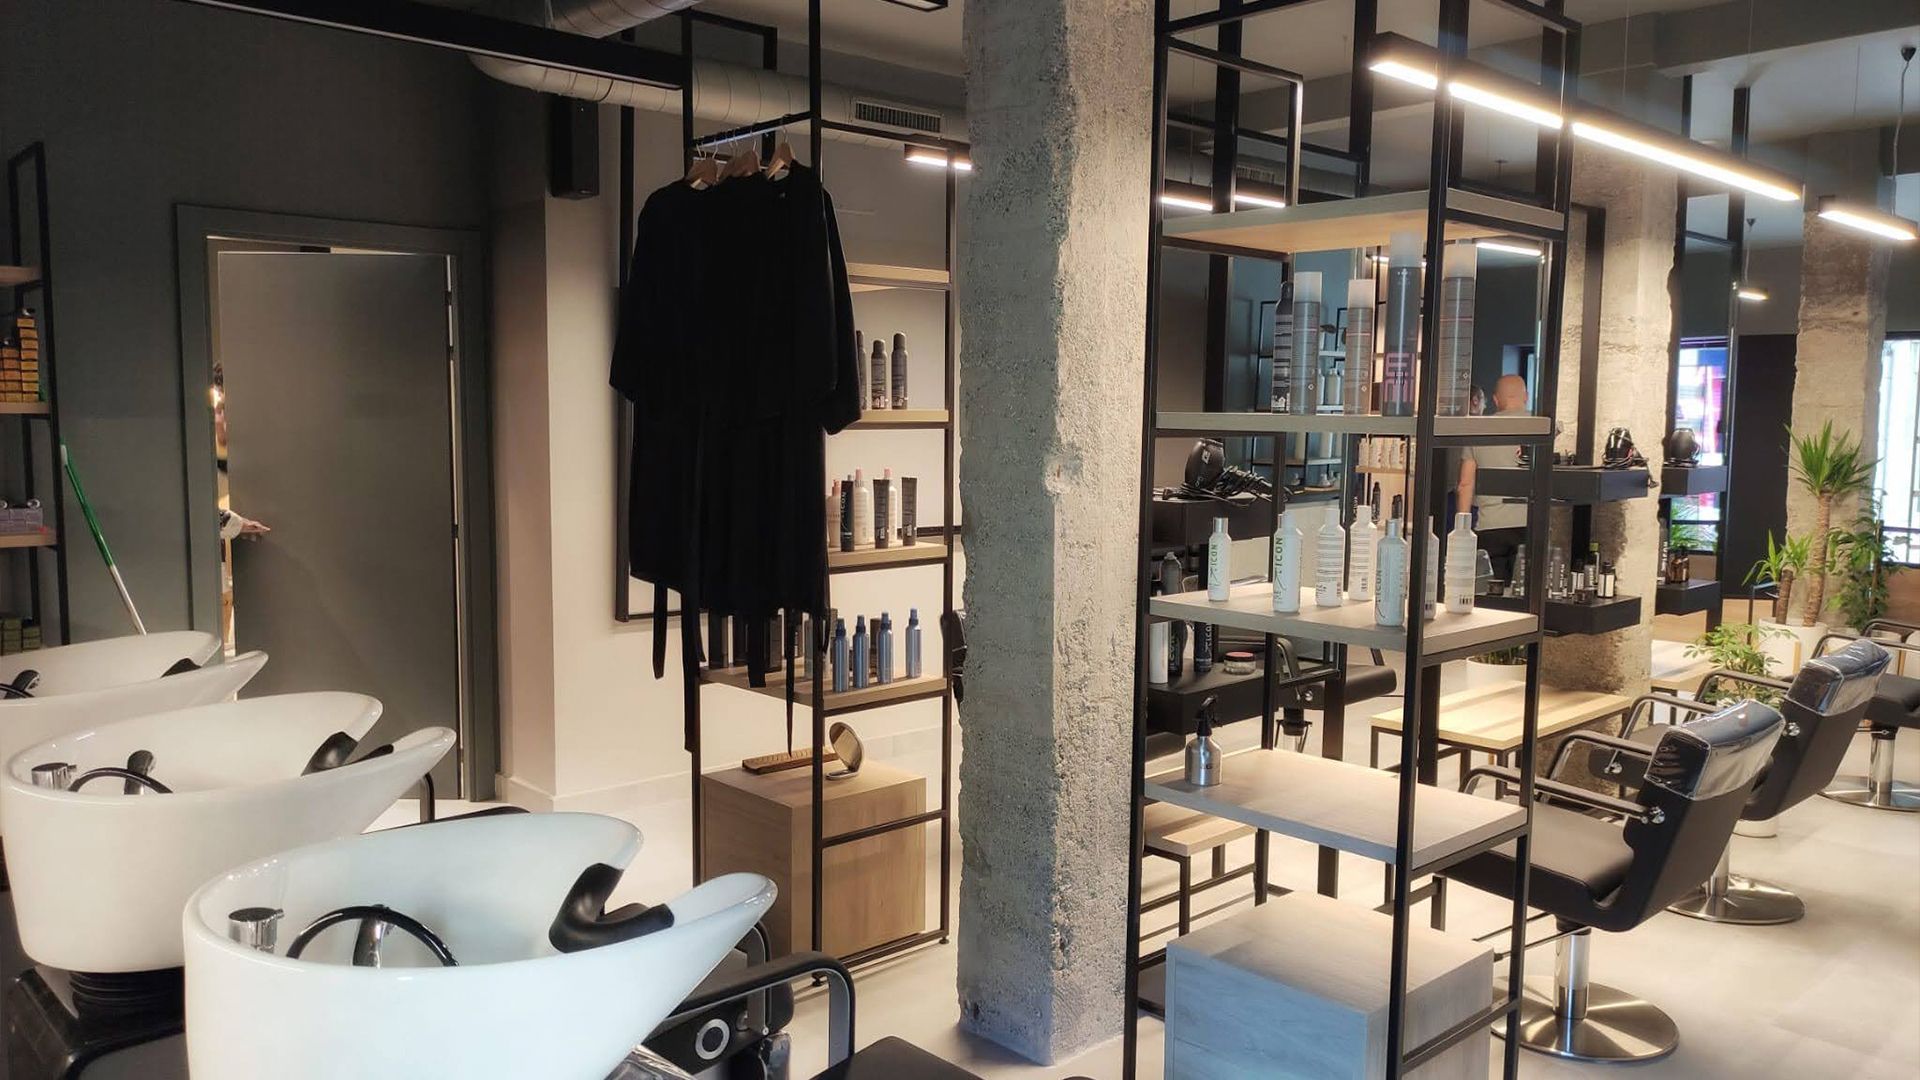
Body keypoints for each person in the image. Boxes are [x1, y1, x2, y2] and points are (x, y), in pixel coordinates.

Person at [1456, 374, 1530, 580]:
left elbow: (1465, 483)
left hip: (1491, 528)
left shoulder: (1478, 429)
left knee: (1490, 592)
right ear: (1526, 397)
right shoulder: (1543, 427)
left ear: (1496, 400)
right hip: (1530, 527)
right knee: (1528, 592)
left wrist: (1462, 531)